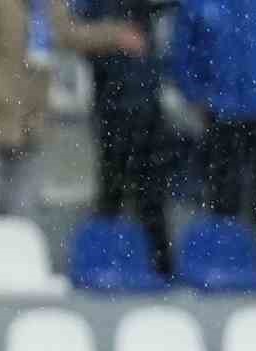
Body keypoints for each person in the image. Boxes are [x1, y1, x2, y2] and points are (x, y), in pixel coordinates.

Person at [0, 0, 150, 217]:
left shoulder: (46, 3)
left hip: (31, 122)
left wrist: (115, 35)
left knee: (24, 220)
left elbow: (69, 33)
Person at [170, 0, 256, 276]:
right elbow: (183, 54)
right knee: (223, 201)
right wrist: (197, 95)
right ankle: (228, 270)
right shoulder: (198, 5)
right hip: (221, 117)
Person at [72, 0, 175, 275]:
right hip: (113, 109)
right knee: (112, 195)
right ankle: (104, 269)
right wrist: (114, 36)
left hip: (148, 109)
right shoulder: (97, 8)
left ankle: (161, 271)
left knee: (152, 198)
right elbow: (76, 35)